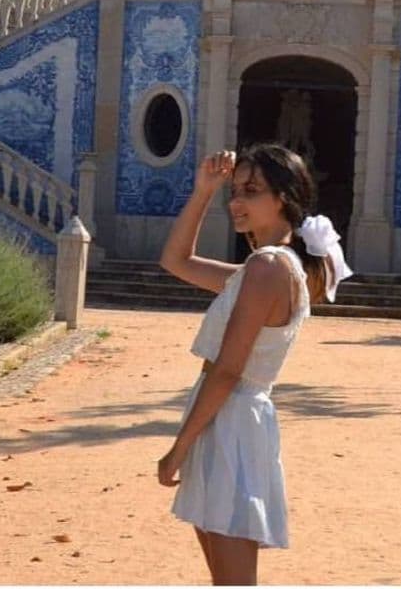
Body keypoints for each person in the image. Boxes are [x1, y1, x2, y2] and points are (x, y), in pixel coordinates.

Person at [158, 144, 352, 585]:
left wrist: (178, 448)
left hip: (230, 425)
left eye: (251, 191)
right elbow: (175, 261)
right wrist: (204, 190)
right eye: (235, 190)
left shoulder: (268, 269)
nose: (237, 201)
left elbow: (228, 370)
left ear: (282, 197)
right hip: (225, 421)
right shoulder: (264, 268)